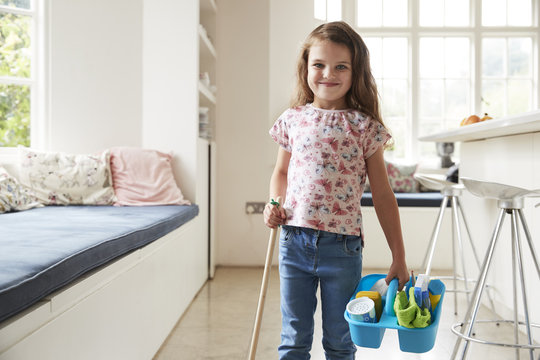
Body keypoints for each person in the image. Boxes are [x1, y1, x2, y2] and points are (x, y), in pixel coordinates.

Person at [263, 21, 409, 360]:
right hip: (293, 241)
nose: (329, 73)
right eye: (319, 64)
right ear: (306, 67)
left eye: (340, 66)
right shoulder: (293, 119)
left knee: (341, 341)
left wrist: (399, 256)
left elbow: (384, 195)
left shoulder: (364, 127)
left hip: (341, 248)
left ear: (355, 72)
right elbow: (281, 172)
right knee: (293, 339)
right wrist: (274, 202)